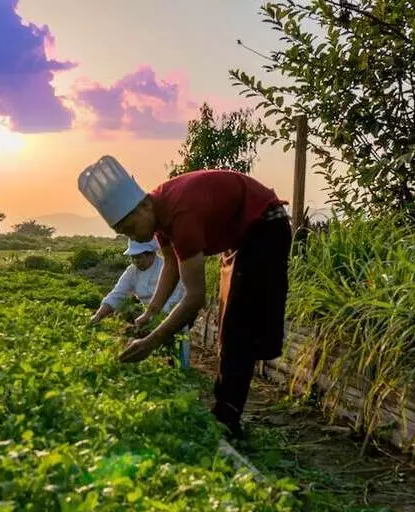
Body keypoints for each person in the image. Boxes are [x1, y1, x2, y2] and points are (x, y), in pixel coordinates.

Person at [77, 155, 292, 439]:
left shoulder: (180, 213)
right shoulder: (160, 215)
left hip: (265, 228)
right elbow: (170, 265)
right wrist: (150, 312)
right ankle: (226, 412)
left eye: (131, 228)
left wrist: (152, 342)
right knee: (230, 327)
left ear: (143, 206)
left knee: (237, 327)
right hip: (242, 236)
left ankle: (226, 419)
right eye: (124, 233)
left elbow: (194, 298)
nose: (135, 237)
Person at [89, 238, 191, 369]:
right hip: (148, 319)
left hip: (172, 319)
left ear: (152, 254)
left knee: (177, 362)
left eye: (139, 257)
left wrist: (153, 321)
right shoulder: (132, 272)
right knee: (154, 363)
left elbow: (173, 301)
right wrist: (98, 315)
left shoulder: (169, 269)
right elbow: (118, 294)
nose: (136, 261)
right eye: (133, 258)